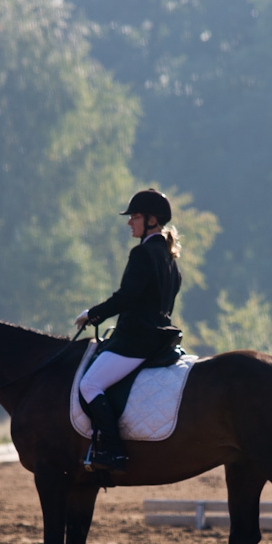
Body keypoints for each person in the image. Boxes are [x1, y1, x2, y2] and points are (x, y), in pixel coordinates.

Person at [75, 188, 182, 472]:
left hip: (136, 341)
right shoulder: (170, 259)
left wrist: (92, 314)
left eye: (134, 217)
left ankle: (114, 451)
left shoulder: (143, 254)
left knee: (89, 384)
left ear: (151, 220)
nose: (129, 223)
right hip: (159, 339)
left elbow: (126, 297)